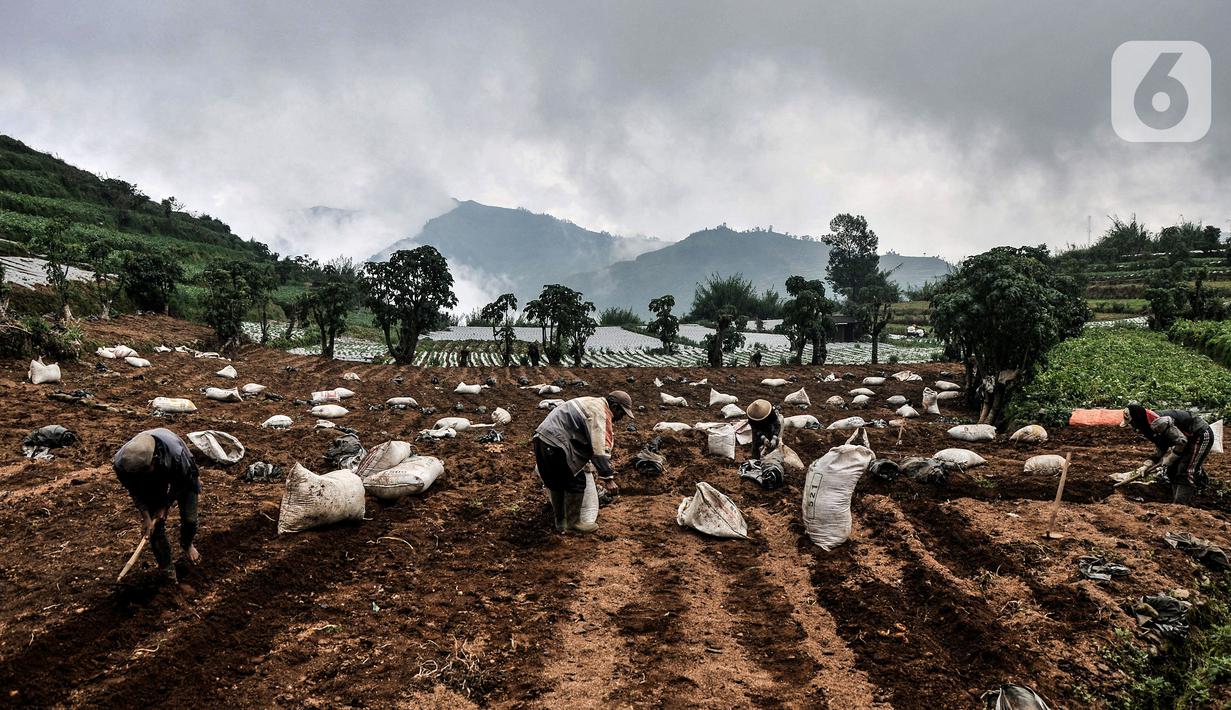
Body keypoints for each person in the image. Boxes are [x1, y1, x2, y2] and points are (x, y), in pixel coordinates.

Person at [533, 391, 635, 533]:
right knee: (577, 481)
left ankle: (561, 522)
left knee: (555, 481)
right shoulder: (600, 412)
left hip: (541, 438)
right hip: (558, 443)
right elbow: (599, 449)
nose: (621, 418)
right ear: (615, 407)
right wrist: (608, 478)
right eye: (622, 413)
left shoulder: (590, 402)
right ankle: (574, 524)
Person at [112, 428, 201, 584]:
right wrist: (146, 516)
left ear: (154, 459)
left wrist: (165, 506)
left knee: (190, 519)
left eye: (145, 471)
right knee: (154, 530)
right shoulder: (122, 465)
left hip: (182, 475)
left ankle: (186, 543)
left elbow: (183, 482)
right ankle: (168, 572)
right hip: (152, 480)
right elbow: (135, 491)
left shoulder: (177, 455)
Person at [1122, 403, 1213, 504]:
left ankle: (1181, 504)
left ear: (1137, 419)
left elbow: (1182, 441)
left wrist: (1171, 458)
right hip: (1186, 438)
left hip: (1199, 434)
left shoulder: (1158, 423)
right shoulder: (1147, 425)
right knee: (1172, 469)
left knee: (1186, 470)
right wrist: (1148, 464)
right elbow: (1162, 445)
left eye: (1132, 423)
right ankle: (1177, 500)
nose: (1133, 428)